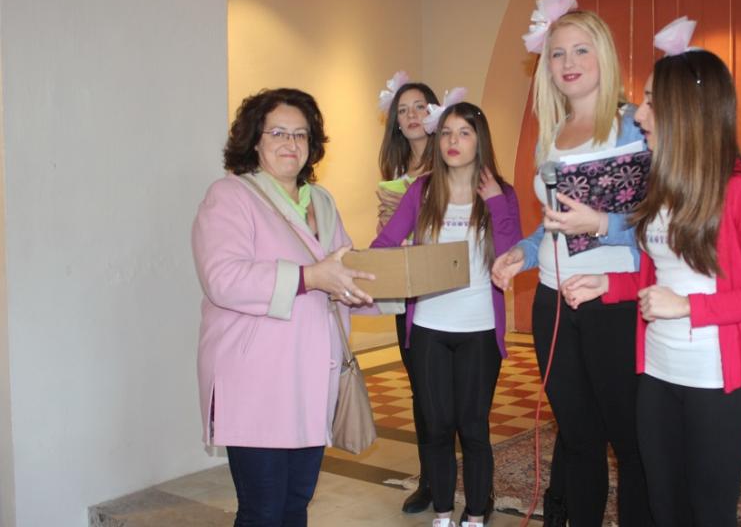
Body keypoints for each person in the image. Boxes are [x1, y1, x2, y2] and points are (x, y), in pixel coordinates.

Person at [562, 21, 741, 526]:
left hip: (716, 378)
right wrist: (610, 284)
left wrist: (689, 307)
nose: (638, 113)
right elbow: (660, 279)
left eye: (650, 101)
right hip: (658, 372)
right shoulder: (662, 184)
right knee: (662, 504)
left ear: (684, 110)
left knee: (708, 510)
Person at [492, 0, 651, 526]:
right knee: (578, 436)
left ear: (605, 56)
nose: (568, 62)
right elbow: (553, 224)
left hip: (614, 300)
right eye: (557, 53)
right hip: (553, 302)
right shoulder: (551, 135)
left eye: (581, 50)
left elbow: (666, 221)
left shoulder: (636, 126)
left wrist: (604, 224)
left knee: (629, 440)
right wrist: (523, 252)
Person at [192, 88, 374, 527]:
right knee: (263, 511)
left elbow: (341, 271)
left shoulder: (321, 202)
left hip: (311, 379)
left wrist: (389, 282)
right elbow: (223, 279)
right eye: (278, 133)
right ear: (255, 140)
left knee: (295, 505)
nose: (290, 143)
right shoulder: (230, 196)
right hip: (257, 380)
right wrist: (310, 278)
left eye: (300, 134)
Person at [373, 102, 522, 527]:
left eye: (464, 133)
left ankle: (474, 515)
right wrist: (373, 265)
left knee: (473, 428)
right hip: (428, 329)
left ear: (480, 141)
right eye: (447, 133)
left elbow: (513, 253)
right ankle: (442, 513)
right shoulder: (423, 191)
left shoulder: (501, 193)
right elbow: (385, 242)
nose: (453, 141)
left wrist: (495, 203)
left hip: (479, 330)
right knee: (436, 426)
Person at [375, 73, 441, 514]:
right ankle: (430, 479)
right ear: (395, 123)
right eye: (403, 110)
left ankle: (474, 483)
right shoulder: (395, 175)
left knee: (454, 396)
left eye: (420, 106)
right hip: (409, 293)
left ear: (435, 112)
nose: (412, 115)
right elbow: (388, 237)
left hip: (446, 290)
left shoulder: (453, 159)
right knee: (421, 389)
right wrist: (388, 221)